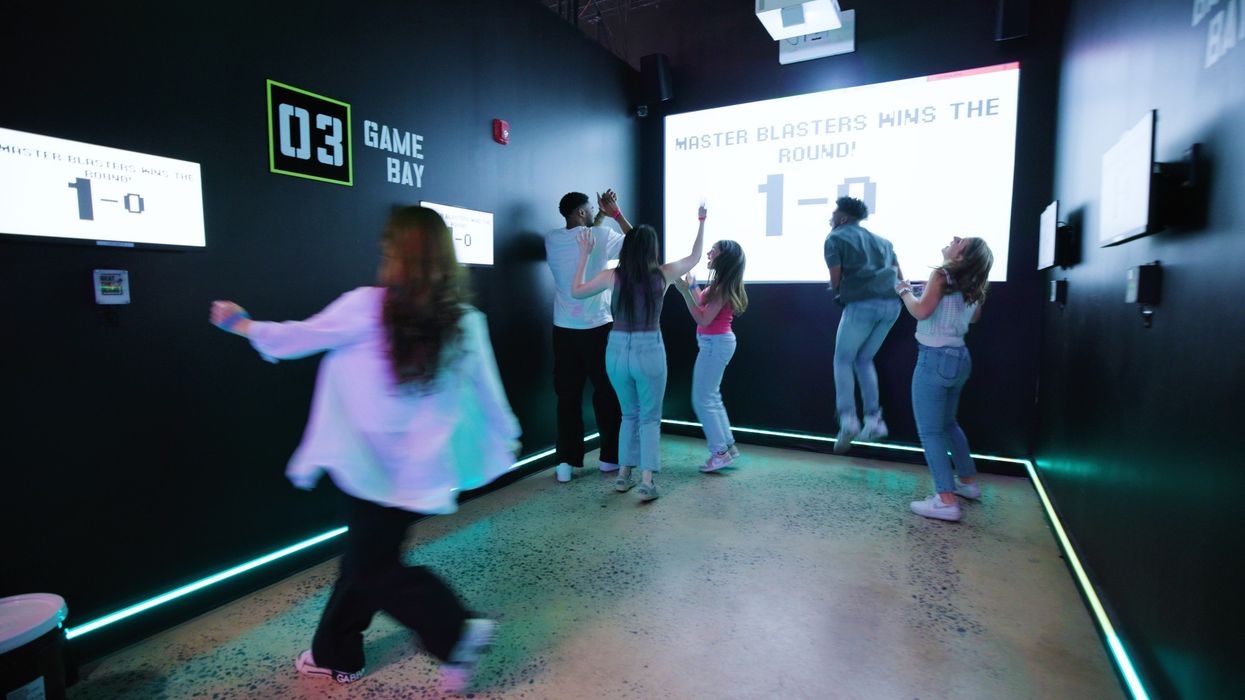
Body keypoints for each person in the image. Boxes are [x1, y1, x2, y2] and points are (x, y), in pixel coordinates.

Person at [208, 206, 520, 693]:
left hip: (369, 467)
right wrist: (504, 439)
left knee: (370, 565)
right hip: (417, 473)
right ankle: (337, 652)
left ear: (395, 255)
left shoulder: (365, 306)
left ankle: (455, 631)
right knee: (366, 559)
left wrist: (241, 325)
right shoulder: (464, 321)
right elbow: (489, 395)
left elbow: (297, 338)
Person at [570, 206, 706, 501]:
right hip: (649, 351)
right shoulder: (663, 274)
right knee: (649, 418)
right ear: (652, 249)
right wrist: (701, 221)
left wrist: (583, 255)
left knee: (628, 415)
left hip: (616, 351)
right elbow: (695, 257)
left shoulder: (613, 276)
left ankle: (623, 476)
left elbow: (576, 291)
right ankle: (646, 481)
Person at [895, 235, 994, 522]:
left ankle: (946, 501)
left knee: (931, 431)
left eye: (960, 241)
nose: (954, 238)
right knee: (949, 424)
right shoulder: (971, 282)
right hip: (960, 358)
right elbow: (973, 318)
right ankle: (968, 483)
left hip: (935, 359)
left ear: (961, 257)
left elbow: (920, 311)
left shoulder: (942, 274)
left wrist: (904, 291)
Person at [545, 190, 634, 483]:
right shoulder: (601, 234)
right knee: (607, 393)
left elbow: (586, 229)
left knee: (567, 397)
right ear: (582, 212)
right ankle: (610, 459)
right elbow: (637, 243)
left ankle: (564, 465)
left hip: (564, 329)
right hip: (597, 328)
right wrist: (614, 213)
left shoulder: (553, 239)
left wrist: (599, 216)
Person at [824, 196, 903, 454]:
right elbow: (900, 276)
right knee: (864, 359)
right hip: (892, 306)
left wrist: (838, 293)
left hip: (861, 304)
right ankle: (874, 421)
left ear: (843, 217)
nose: (832, 216)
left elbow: (836, 277)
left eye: (835, 212)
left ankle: (848, 419)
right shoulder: (884, 242)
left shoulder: (834, 238)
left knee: (843, 360)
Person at [673, 239, 748, 472]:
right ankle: (727, 447)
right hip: (716, 343)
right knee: (711, 397)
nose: (708, 253)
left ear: (722, 257)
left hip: (715, 344)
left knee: (702, 399)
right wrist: (691, 286)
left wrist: (685, 293)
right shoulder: (720, 283)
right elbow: (702, 302)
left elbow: (703, 318)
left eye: (713, 251)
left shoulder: (723, 286)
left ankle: (719, 454)